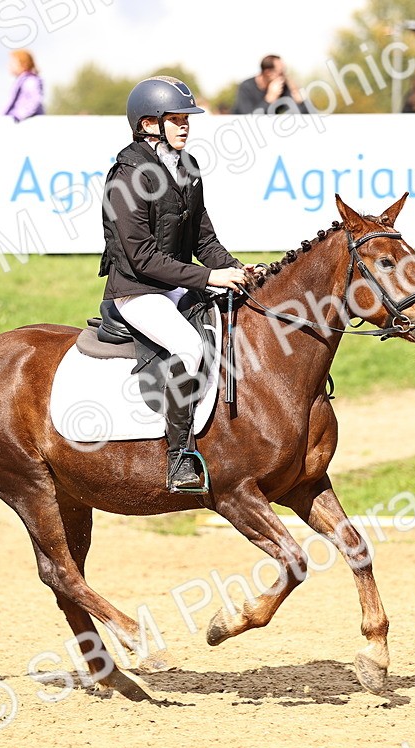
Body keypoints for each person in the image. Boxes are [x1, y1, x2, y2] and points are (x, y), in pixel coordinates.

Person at [99, 76, 250, 492]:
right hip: (137, 290)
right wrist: (208, 277)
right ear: (148, 124)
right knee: (188, 346)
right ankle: (179, 456)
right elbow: (142, 258)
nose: (185, 126)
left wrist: (239, 271)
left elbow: (204, 240)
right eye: (176, 119)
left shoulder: (188, 167)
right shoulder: (126, 178)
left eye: (187, 119)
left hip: (176, 284)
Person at [231, 55, 309, 114]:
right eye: (281, 73)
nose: (283, 77)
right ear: (268, 73)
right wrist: (269, 99)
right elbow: (249, 119)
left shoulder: (283, 88)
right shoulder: (246, 87)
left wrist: (299, 100)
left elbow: (303, 116)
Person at [4, 49, 44, 120]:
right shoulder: (21, 81)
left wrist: (19, 115)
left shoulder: (30, 81)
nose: (9, 65)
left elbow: (35, 100)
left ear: (24, 64)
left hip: (27, 121)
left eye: (12, 63)